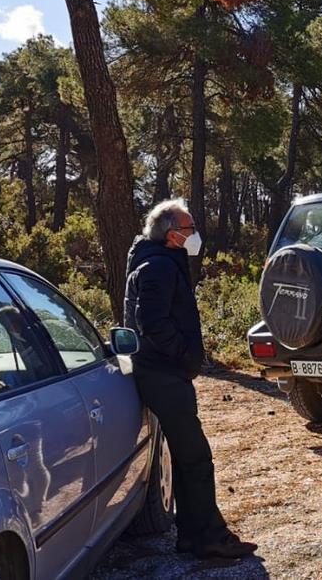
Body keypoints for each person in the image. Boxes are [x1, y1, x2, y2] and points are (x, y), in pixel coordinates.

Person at [123, 198, 256, 560]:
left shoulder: (159, 261)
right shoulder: (158, 267)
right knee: (196, 458)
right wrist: (183, 355)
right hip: (163, 373)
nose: (195, 235)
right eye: (189, 229)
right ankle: (211, 537)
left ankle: (191, 536)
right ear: (171, 236)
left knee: (186, 458)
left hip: (164, 372)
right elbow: (151, 323)